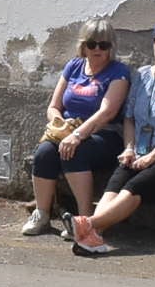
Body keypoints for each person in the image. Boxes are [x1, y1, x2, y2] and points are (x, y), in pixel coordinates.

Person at [71, 19, 155, 258]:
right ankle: (93, 234)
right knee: (118, 178)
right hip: (142, 149)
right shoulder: (143, 74)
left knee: (136, 186)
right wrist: (130, 148)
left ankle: (88, 224)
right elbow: (130, 117)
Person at [23, 25, 129, 237]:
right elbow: (53, 106)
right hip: (68, 129)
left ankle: (84, 219)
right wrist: (60, 123)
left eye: (103, 44)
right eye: (92, 44)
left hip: (103, 133)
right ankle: (42, 213)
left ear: (111, 47)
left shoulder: (118, 72)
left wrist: (77, 135)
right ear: (83, 46)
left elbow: (107, 112)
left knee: (74, 151)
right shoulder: (74, 67)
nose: (97, 49)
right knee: (44, 152)